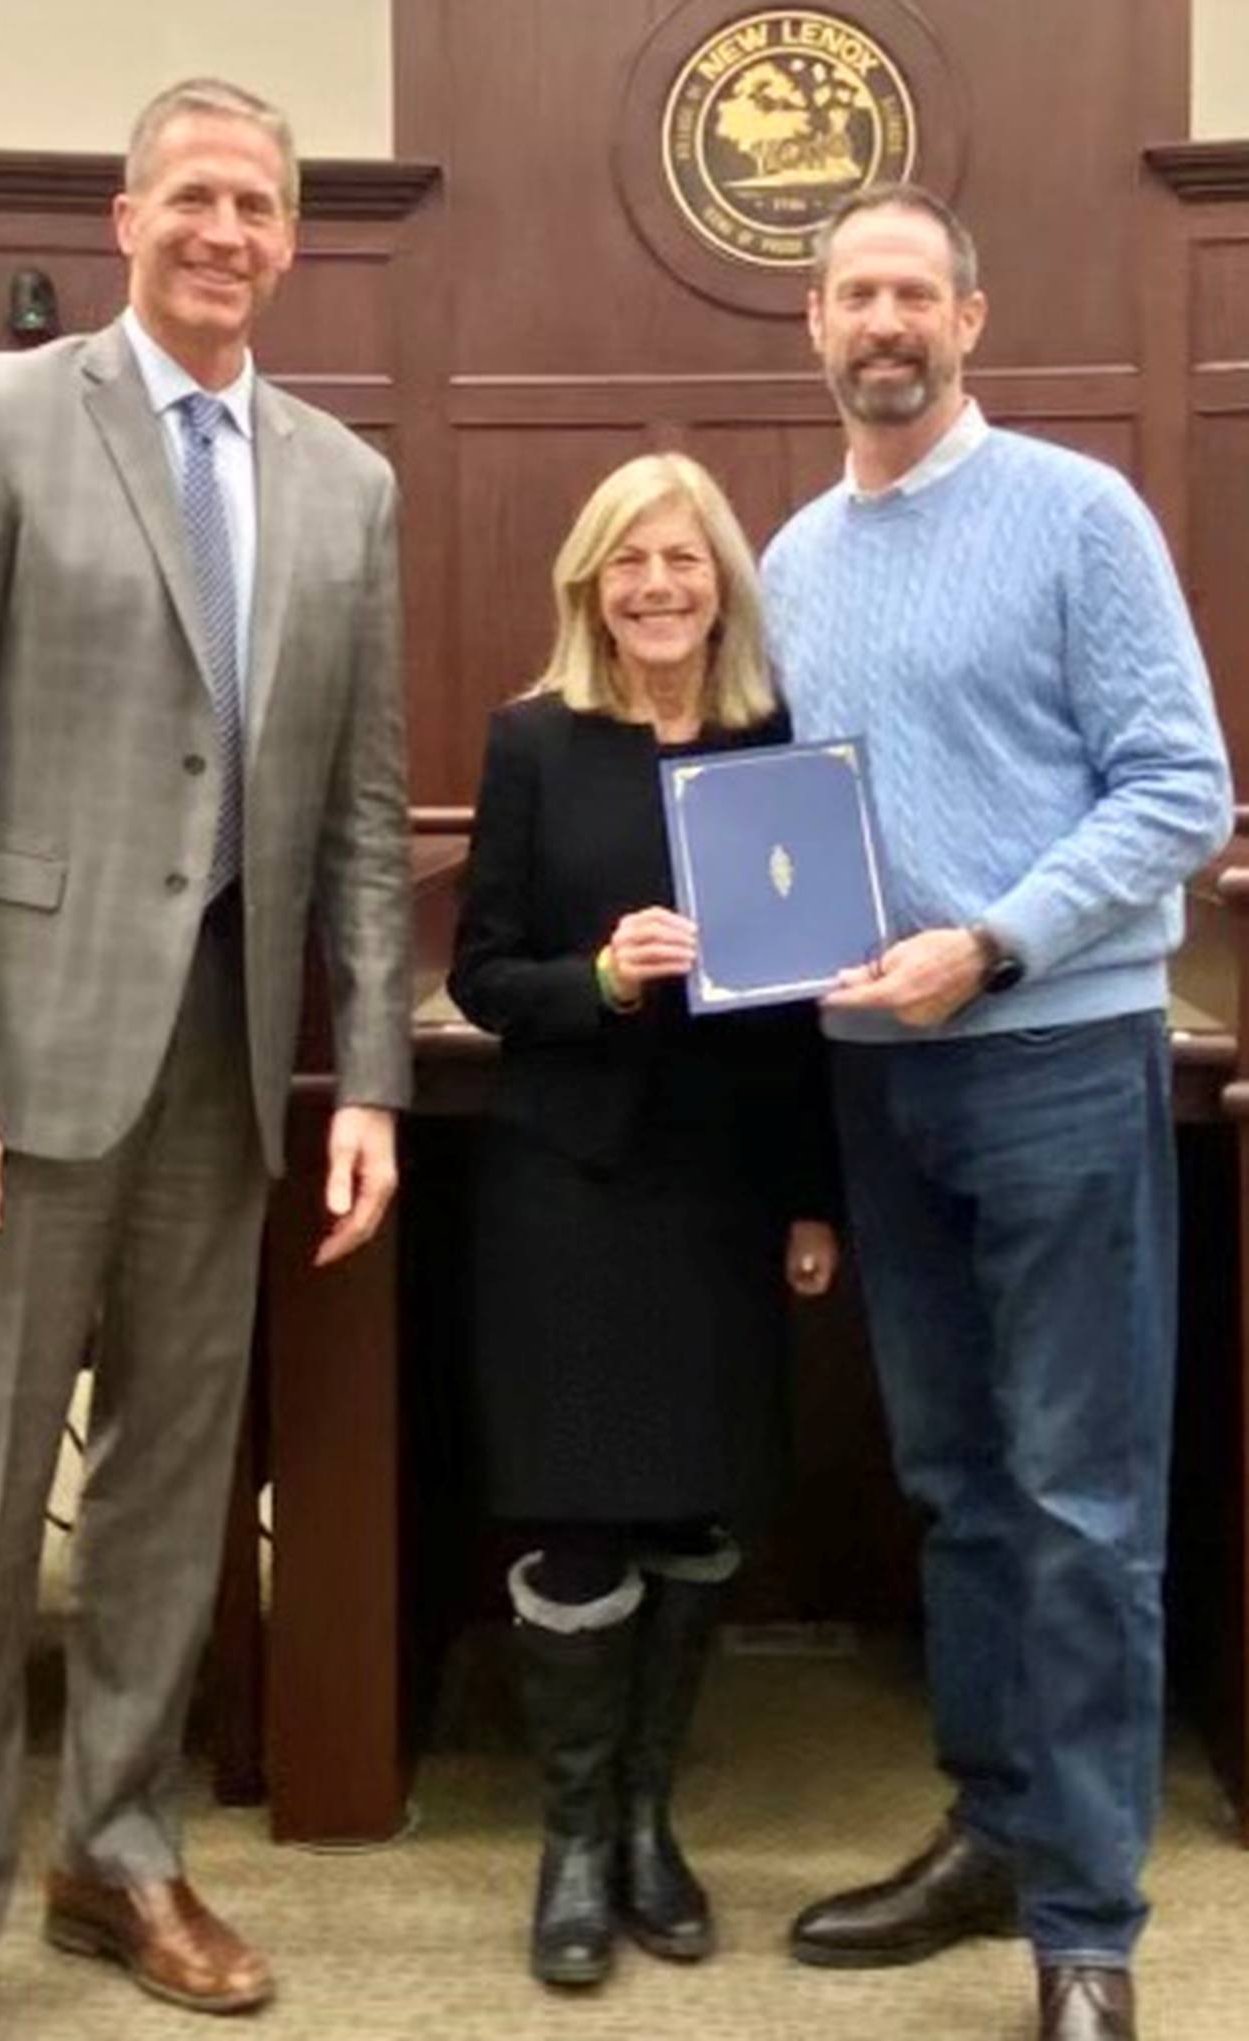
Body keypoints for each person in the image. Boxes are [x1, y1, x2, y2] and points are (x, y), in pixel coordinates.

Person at [0, 76, 409, 2041]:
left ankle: (122, 1846)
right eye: (194, 193)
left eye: (258, 201)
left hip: (229, 1064)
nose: (225, 228)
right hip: (15, 1067)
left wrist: (373, 1093)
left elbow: (360, 810)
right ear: (125, 213)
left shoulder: (345, 480)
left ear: (290, 239)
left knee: (175, 1491)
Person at [759, 183, 1232, 2041]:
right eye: (852, 293)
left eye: (913, 291)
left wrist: (998, 943)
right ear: (816, 327)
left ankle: (1090, 1925)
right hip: (882, 1078)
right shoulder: (792, 557)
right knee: (956, 1482)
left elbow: (1183, 785)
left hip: (1051, 1053)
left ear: (972, 313)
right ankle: (996, 1825)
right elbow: (791, 829)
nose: (883, 320)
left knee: (1081, 1500)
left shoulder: (1073, 513)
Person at [449, 452, 840, 1990]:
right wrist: (602, 980)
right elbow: (485, 973)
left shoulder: (778, 740)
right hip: (571, 1181)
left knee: (695, 1507)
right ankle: (570, 1837)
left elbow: (809, 1000)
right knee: (577, 1507)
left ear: (720, 580)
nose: (660, 585)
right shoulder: (537, 741)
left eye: (684, 559)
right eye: (631, 563)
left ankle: (647, 1819)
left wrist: (812, 1194)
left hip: (727, 1186)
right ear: (590, 585)